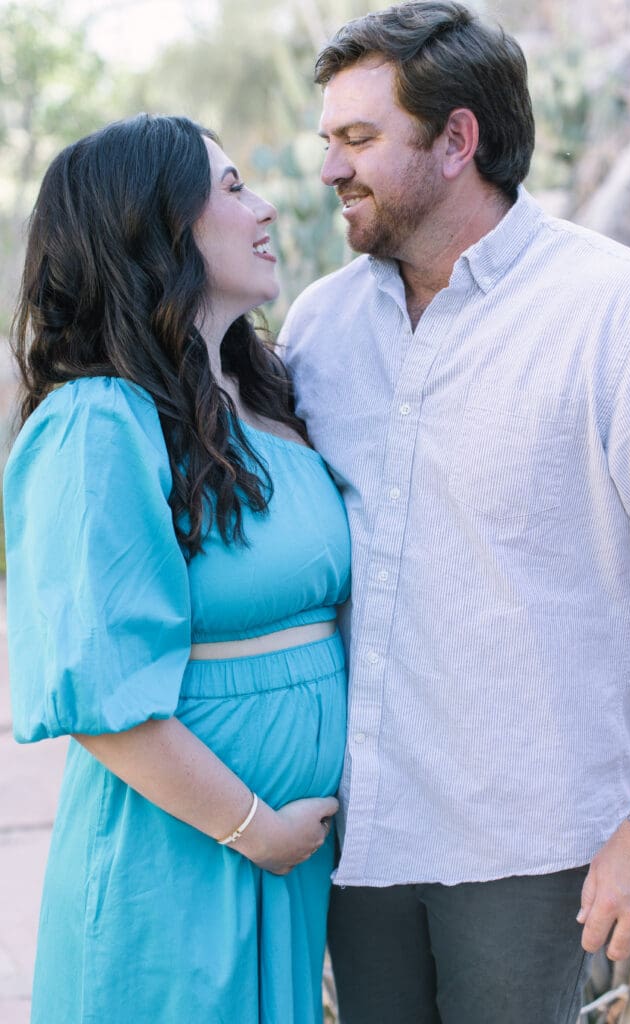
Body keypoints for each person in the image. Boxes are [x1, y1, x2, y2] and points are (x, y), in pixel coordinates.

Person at [278, 2, 630, 1022]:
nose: (330, 168)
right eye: (328, 141)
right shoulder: (319, 325)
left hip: (531, 848)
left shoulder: (620, 312)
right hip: (355, 839)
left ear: (457, 139)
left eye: (359, 139)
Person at [4, 113, 350, 1024]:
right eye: (232, 188)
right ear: (154, 228)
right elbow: (100, 698)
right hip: (181, 855)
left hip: (289, 859)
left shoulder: (263, 391)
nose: (268, 205)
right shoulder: (97, 424)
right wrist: (256, 829)